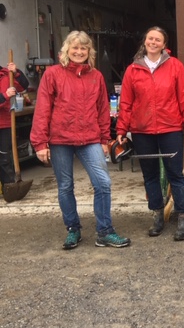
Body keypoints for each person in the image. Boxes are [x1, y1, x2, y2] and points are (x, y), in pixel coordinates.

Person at [30, 31, 131, 250]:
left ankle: (105, 231)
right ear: (66, 50)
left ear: (89, 52)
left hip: (90, 138)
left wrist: (105, 138)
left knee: (103, 183)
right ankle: (73, 229)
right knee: (65, 186)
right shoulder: (52, 74)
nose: (79, 52)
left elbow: (103, 109)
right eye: (75, 48)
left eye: (83, 48)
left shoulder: (96, 76)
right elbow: (43, 109)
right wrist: (39, 142)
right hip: (60, 139)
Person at [116, 26, 184, 241]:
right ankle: (158, 215)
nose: (153, 42)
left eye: (158, 40)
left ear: (164, 44)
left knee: (175, 174)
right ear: (145, 41)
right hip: (142, 130)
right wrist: (121, 130)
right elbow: (126, 103)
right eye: (150, 38)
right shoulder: (133, 70)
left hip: (170, 127)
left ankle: (182, 216)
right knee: (150, 176)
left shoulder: (175, 66)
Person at [0, 61, 29, 189]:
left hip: (4, 122)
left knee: (5, 157)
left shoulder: (6, 75)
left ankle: (9, 186)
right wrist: (5, 96)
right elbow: (5, 96)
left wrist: (16, 73)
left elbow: (24, 85)